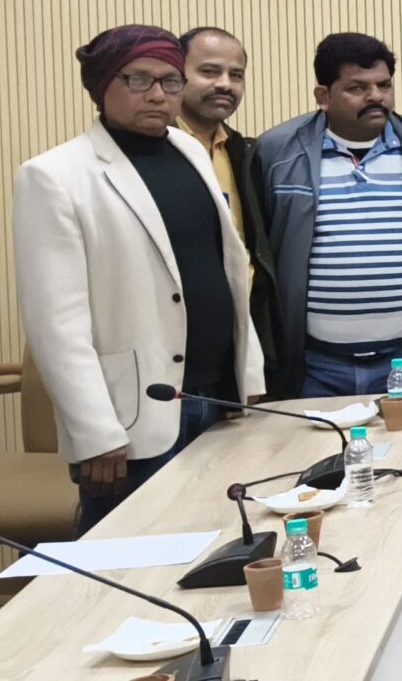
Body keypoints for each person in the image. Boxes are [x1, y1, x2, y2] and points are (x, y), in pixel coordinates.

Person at [16, 26, 263, 532]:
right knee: (131, 563)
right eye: (138, 79)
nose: (157, 94)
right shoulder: (55, 175)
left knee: (218, 548)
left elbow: (228, 271)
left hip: (216, 395)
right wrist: (94, 432)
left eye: (170, 81)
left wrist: (248, 373)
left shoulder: (190, 150)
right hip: (131, 419)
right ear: (100, 87)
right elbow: (56, 323)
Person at [257, 33, 402, 397]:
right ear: (323, 96)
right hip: (315, 367)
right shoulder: (277, 151)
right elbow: (262, 248)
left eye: (384, 85)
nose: (376, 96)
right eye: (357, 88)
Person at [175, 27, 278, 392]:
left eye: (236, 75)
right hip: (178, 344)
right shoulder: (154, 151)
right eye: (209, 71)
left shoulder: (244, 152)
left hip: (242, 337)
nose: (225, 84)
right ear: (176, 74)